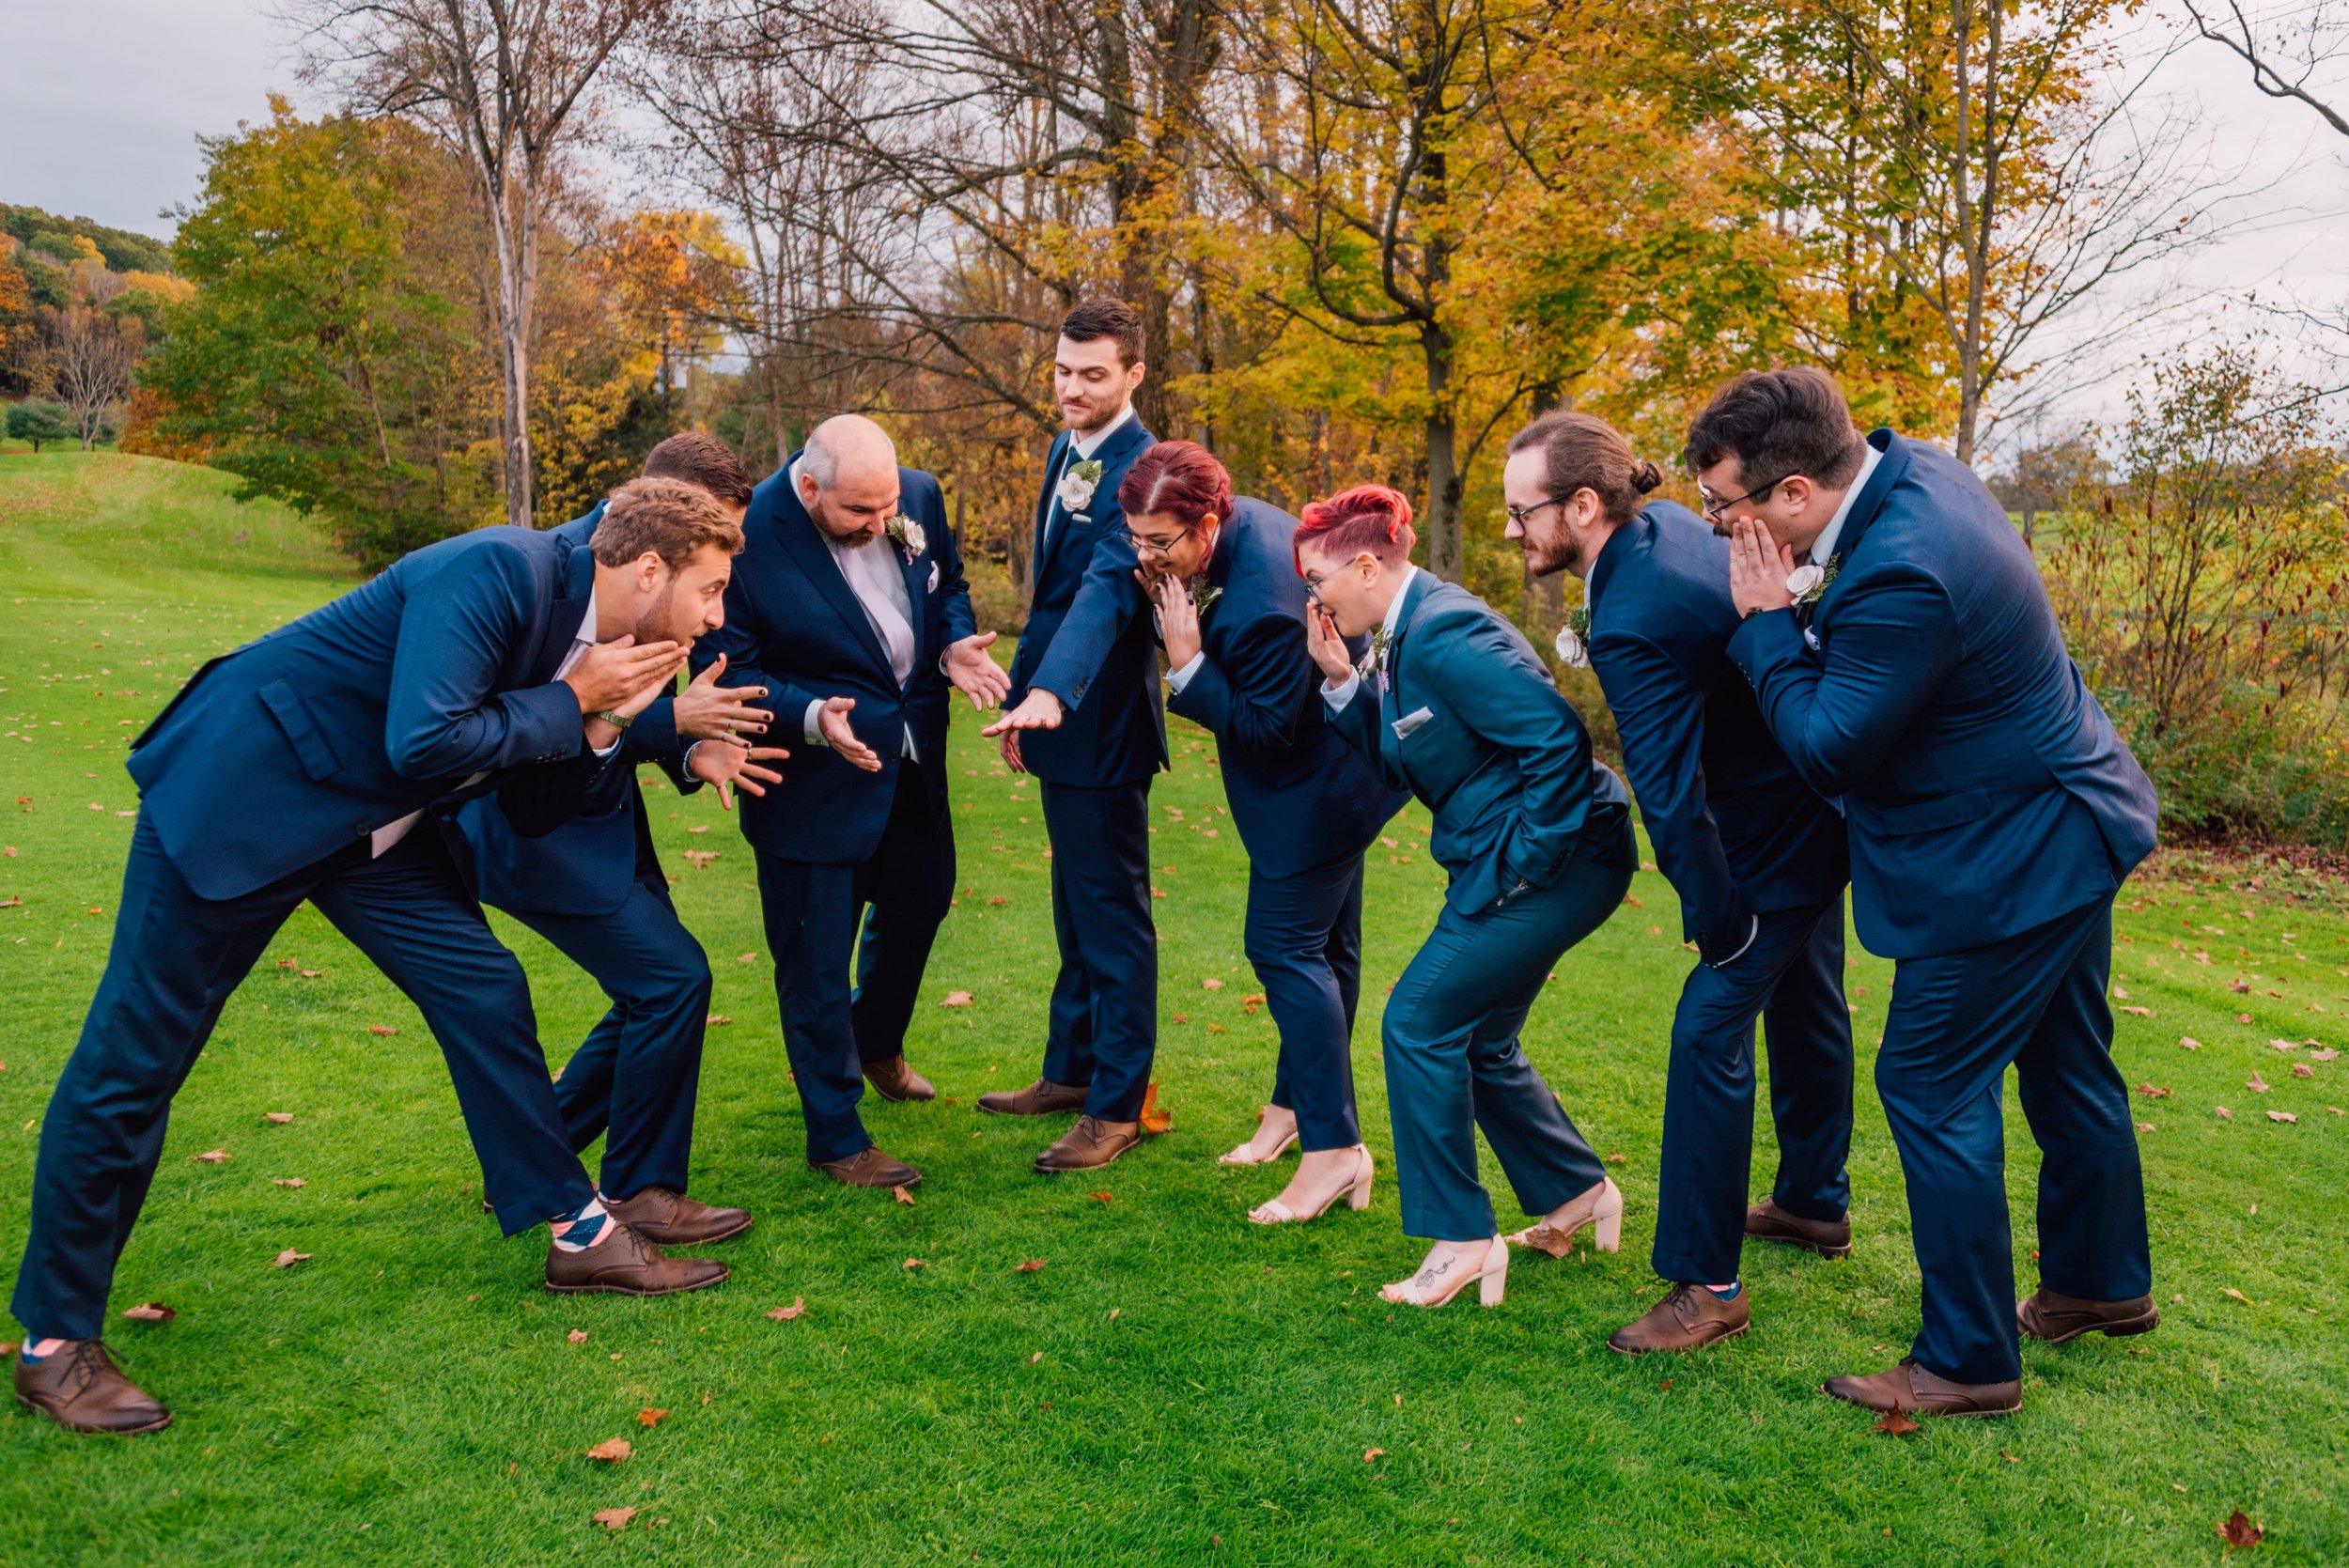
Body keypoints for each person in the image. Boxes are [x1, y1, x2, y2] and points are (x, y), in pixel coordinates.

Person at [12, 477, 768, 1436]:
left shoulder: (609, 649)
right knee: (136, 1061)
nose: (718, 614)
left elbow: (531, 810)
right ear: (650, 569)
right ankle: (53, 1344)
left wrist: (610, 720)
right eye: (709, 589)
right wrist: (573, 697)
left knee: (486, 986)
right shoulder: (498, 570)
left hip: (370, 832)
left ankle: (580, 1235)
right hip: (246, 794)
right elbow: (425, 738)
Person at [1699, 367, 2160, 1417]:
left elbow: (1827, 750)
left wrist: (1769, 621)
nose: (1718, 525)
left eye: (1725, 506)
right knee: (2066, 1060)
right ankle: (2100, 1286)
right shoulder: (1917, 473)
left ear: (1794, 497)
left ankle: (1966, 1357)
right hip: (2070, 813)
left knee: (1928, 1082)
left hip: (2009, 858)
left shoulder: (1905, 571)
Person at [1501, 411, 1853, 1355]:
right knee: (1808, 997)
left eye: (1521, 511)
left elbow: (1668, 785)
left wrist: (1715, 916)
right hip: (1819, 806)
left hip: (1772, 832)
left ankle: (1707, 1286)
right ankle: (1814, 1201)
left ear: (1583, 504)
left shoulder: (1631, 606)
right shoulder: (1668, 532)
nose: (1511, 531)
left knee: (1708, 1028)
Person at [1003, 439, 1408, 1219]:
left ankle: (1334, 1151)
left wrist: (1187, 666)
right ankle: (1293, 1116)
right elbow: (1103, 597)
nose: (1144, 557)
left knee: (1286, 949)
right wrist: (1054, 688)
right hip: (1337, 768)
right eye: (1135, 538)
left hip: (1322, 787)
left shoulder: (1261, 603)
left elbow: (1265, 731)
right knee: (1328, 948)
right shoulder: (1209, 540)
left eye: (1160, 543)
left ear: (1209, 523)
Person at [1299, 484, 1638, 1310]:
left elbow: (1556, 736)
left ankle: (1460, 1238)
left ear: (1369, 565)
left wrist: (1529, 862)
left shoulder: (1446, 629)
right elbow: (1410, 760)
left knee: (1417, 1020)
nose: (1312, 597)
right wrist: (1345, 687)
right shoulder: (1396, 634)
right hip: (1516, 859)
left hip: (1564, 859)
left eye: (1318, 580)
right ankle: (1576, 1190)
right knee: (1478, 1036)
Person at [450, 433, 783, 1247]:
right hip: (536, 827)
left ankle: (535, 1165)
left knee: (657, 989)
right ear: (661, 508)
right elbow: (551, 713)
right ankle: (638, 1189)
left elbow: (625, 713)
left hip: (605, 820)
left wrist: (685, 742)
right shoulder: (555, 569)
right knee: (671, 981)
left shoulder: (649, 574)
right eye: (709, 544)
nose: (715, 598)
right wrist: (673, 719)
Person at [693, 414, 1008, 1190]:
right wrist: (809, 718)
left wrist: (951, 644)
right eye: (859, 514)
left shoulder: (918, 498)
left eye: (885, 510)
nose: (879, 524)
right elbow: (726, 670)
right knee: (814, 964)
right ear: (808, 487)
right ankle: (836, 1136)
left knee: (923, 899)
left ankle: (875, 1042)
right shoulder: (743, 537)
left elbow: (949, 588)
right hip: (810, 784)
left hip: (909, 761)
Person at [978, 300, 1165, 1173]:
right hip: (1056, 717)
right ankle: (1070, 1068)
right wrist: (1024, 691)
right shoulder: (1068, 448)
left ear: (1134, 375)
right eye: (1062, 370)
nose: (1072, 389)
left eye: (1093, 374)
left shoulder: (1145, 468)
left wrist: (1053, 688)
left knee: (1112, 918)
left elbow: (1105, 590)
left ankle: (1116, 1104)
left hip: (1103, 723)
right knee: (1072, 908)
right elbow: (1052, 592)